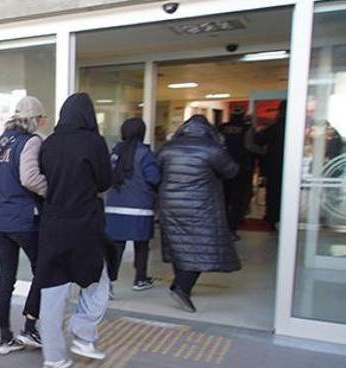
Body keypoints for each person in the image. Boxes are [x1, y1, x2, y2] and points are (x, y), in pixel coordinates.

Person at [35, 93, 113, 368]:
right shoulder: (93, 142)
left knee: (52, 292)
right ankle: (83, 335)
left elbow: (43, 177)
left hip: (52, 225)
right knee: (97, 281)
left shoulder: (49, 143)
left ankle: (53, 358)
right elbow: (104, 181)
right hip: (84, 225)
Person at [158, 115, 241, 313]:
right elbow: (232, 171)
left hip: (170, 204)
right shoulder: (212, 148)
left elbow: (156, 171)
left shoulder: (168, 147)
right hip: (201, 205)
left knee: (179, 245)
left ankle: (180, 284)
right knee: (201, 246)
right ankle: (182, 287)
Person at [0, 96, 48, 355]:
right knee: (43, 270)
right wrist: (52, 191)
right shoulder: (31, 141)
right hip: (24, 219)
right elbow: (29, 178)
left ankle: (4, 338)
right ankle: (30, 328)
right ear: (34, 119)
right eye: (41, 119)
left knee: (6, 278)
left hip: (0, 220)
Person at [105, 117, 161, 292]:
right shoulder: (145, 154)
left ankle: (108, 283)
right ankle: (140, 279)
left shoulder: (115, 153)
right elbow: (154, 178)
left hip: (114, 206)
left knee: (116, 247)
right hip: (140, 208)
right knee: (141, 245)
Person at [218, 108, 253, 239]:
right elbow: (250, 146)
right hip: (240, 168)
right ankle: (231, 229)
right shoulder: (246, 128)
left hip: (223, 167)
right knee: (237, 200)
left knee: (223, 199)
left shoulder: (222, 127)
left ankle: (221, 228)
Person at [257, 101, 287, 229]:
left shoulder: (274, 127)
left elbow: (259, 141)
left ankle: (272, 217)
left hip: (274, 165)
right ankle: (284, 216)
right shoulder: (296, 125)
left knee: (273, 192)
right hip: (289, 166)